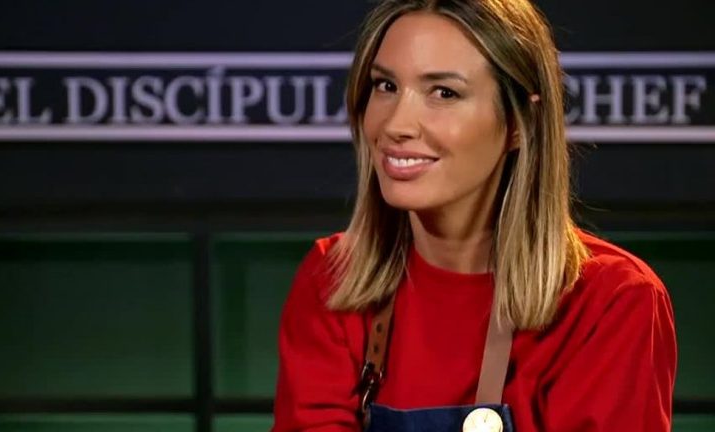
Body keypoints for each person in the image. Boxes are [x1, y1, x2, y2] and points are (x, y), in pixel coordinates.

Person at [272, 0, 677, 431]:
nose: (395, 125)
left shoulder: (612, 303)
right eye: (385, 85)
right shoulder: (334, 279)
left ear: (521, 123)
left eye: (443, 93)